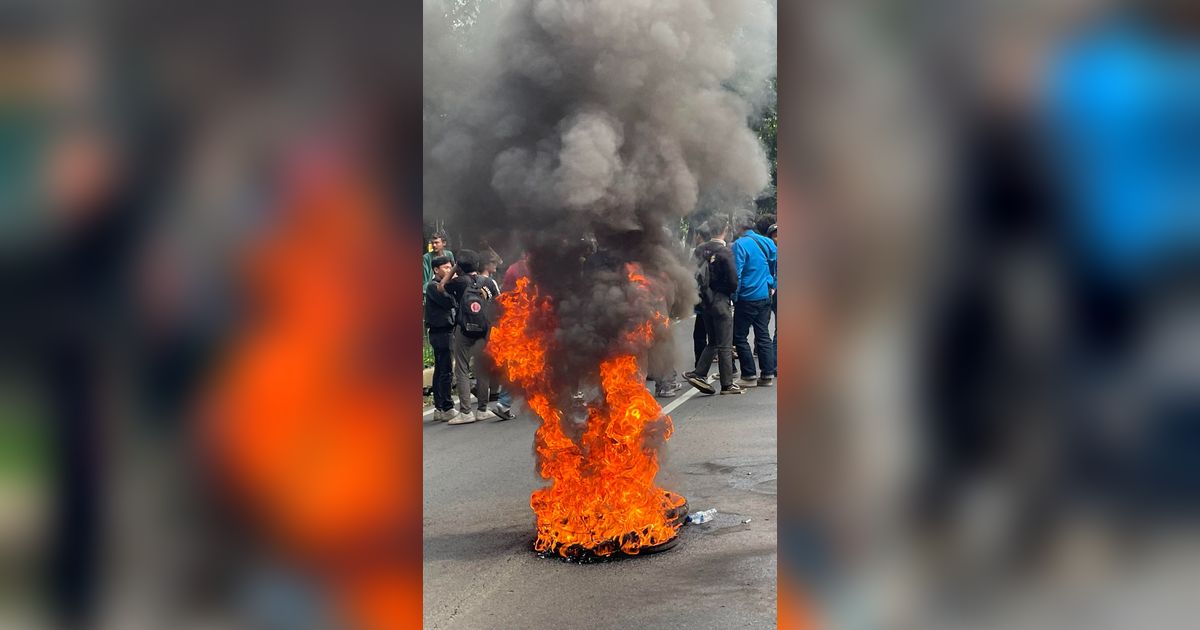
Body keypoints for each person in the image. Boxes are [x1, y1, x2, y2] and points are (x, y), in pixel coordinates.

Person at [684, 221, 743, 395]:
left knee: (713, 341)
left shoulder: (699, 249)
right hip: (721, 300)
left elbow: (692, 273)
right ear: (725, 231)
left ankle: (699, 373)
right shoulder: (725, 252)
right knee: (724, 343)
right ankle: (727, 384)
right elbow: (733, 281)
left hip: (704, 301)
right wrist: (729, 293)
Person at [446, 250, 496, 423]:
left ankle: (466, 412)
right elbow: (497, 304)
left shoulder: (459, 282)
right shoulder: (488, 282)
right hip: (483, 330)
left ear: (460, 266)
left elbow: (440, 286)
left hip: (463, 329)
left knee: (462, 368)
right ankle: (483, 409)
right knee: (482, 369)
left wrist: (453, 270)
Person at [732, 214, 777, 387]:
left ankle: (749, 375)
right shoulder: (767, 242)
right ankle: (767, 375)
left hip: (747, 296)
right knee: (763, 334)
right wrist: (771, 283)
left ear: (739, 226)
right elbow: (775, 264)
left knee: (740, 336)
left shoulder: (740, 245)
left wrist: (734, 296)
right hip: (765, 294)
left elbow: (737, 273)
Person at [478, 251, 513, 420]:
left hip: (479, 325)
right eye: (492, 262)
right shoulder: (490, 282)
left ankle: (500, 399)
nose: (496, 265)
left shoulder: (474, 280)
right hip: (498, 324)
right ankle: (502, 401)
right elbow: (500, 301)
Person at [424, 256, 459, 421]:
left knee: (441, 369)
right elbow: (449, 302)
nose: (449, 270)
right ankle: (446, 406)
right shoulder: (433, 287)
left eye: (450, 267)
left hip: (446, 331)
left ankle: (439, 407)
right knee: (445, 371)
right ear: (436, 270)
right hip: (441, 332)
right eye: (445, 267)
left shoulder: (442, 286)